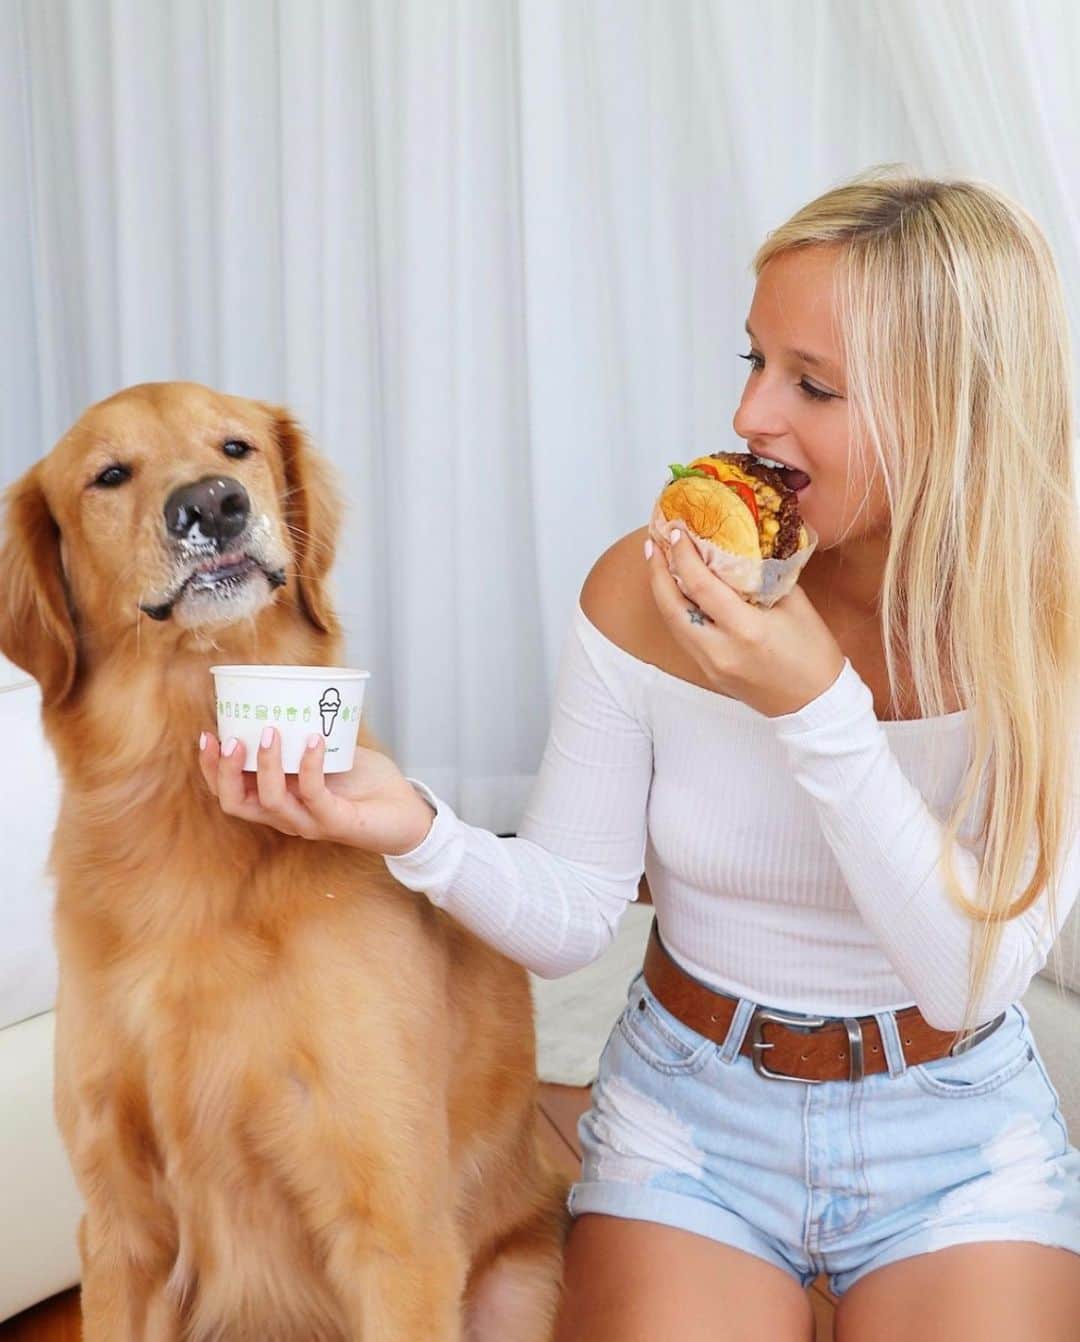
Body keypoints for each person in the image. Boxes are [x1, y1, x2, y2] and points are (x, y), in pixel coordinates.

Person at [199, 169, 1080, 1340]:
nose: (751, 417)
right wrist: (410, 823)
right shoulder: (648, 585)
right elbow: (573, 913)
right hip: (694, 1117)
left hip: (961, 1131)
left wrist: (815, 705)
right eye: (753, 361)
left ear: (956, 411)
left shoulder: (1052, 625)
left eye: (812, 384)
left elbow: (968, 980)